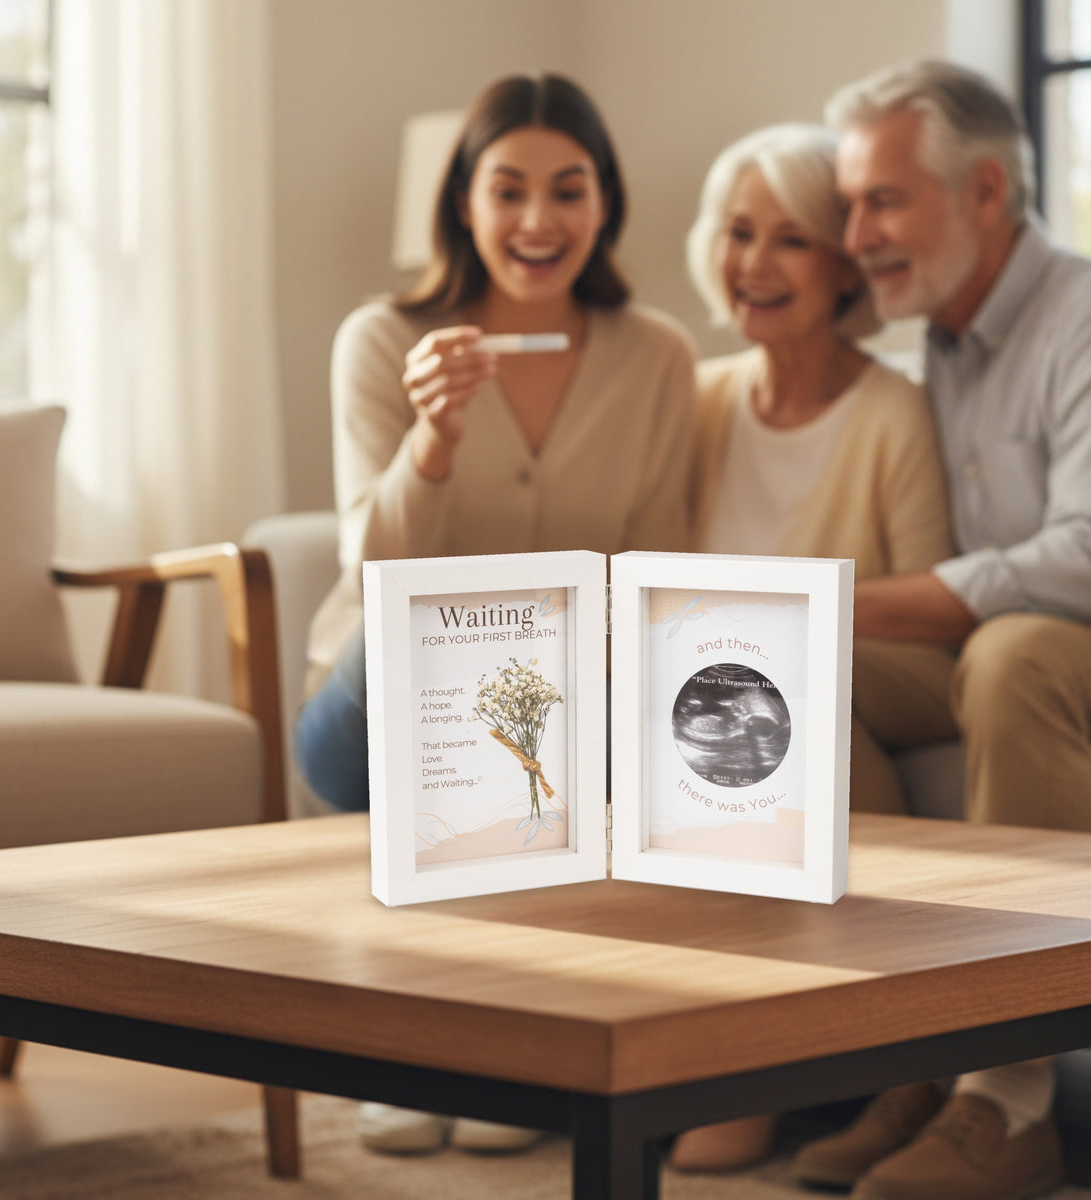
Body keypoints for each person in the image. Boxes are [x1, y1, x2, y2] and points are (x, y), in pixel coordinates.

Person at [783, 59, 1091, 1200]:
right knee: (817, 665)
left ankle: (1010, 1105)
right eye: (851, 206)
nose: (854, 232)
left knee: (1016, 656)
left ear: (983, 194)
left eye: (881, 200)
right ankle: (910, 1055)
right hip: (1056, 644)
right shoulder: (948, 344)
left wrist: (845, 592)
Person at [295, 71, 695, 1157]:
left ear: (604, 204)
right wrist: (432, 437)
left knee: (540, 733)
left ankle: (501, 1056)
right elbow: (375, 565)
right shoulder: (383, 339)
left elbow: (656, 565)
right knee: (407, 651)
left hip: (559, 707)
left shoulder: (656, 354)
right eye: (506, 188)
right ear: (461, 202)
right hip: (377, 706)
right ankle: (414, 1054)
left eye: (568, 190)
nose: (536, 220)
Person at [667, 123, 953, 1174]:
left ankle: (759, 1072)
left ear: (843, 264)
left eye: (789, 239)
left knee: (767, 705)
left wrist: (775, 632)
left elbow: (936, 607)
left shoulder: (892, 411)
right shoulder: (694, 398)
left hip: (869, 677)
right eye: (739, 233)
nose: (753, 262)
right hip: (712, 696)